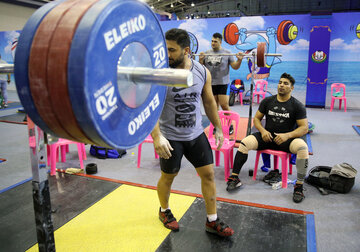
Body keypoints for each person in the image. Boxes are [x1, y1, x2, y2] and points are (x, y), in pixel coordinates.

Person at [151, 28, 234, 237]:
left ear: (186, 50)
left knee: (208, 175)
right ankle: (164, 210)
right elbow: (150, 107)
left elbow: (208, 101)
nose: (167, 54)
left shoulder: (201, 71)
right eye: (165, 49)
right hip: (171, 137)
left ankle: (212, 220)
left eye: (171, 50)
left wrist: (217, 127)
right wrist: (157, 136)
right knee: (168, 177)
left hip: (195, 135)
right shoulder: (161, 73)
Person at [226, 73, 309, 203]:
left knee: (303, 148)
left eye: (285, 83)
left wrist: (287, 135)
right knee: (245, 143)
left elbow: (304, 128)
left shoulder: (297, 105)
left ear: (291, 88)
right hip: (267, 137)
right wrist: (263, 131)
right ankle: (234, 178)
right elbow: (257, 119)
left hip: (286, 140)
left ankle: (299, 186)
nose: (281, 85)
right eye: (280, 82)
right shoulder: (267, 101)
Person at [199, 32, 244, 134]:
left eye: (215, 41)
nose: (213, 43)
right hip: (211, 84)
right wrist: (200, 60)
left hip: (223, 83)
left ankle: (230, 126)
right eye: (212, 41)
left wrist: (239, 60)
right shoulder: (206, 53)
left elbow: (235, 67)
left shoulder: (227, 53)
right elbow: (202, 69)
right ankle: (217, 125)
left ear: (220, 42)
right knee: (214, 106)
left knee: (224, 105)